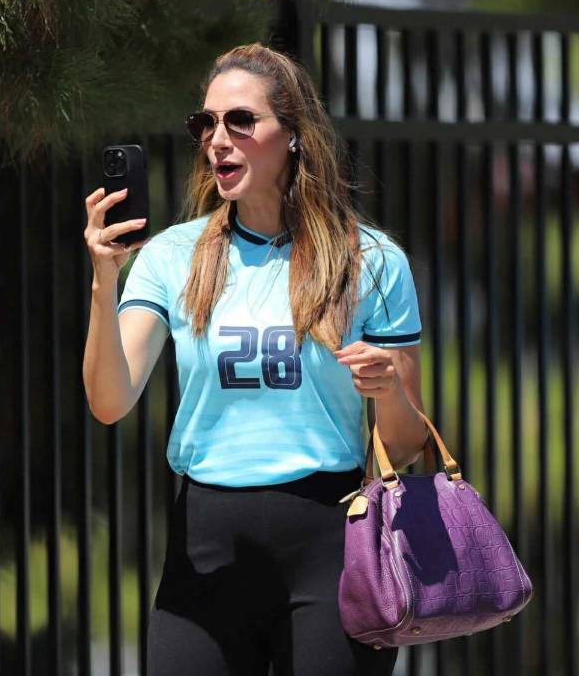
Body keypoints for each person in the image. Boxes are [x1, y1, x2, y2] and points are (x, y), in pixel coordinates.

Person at [83, 43, 428, 675]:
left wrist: (386, 392)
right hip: (207, 544)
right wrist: (105, 283)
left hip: (332, 539)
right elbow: (109, 401)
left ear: (293, 135)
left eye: (241, 120)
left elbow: (403, 446)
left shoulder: (372, 260)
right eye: (206, 123)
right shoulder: (171, 257)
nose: (218, 138)